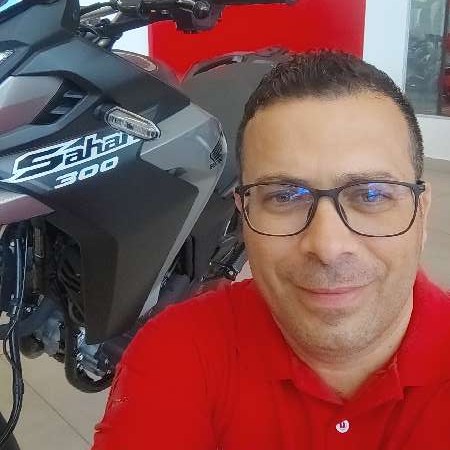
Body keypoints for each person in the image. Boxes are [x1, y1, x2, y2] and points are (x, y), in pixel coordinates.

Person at [91, 51, 450, 450]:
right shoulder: (176, 351)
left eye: (370, 194)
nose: (328, 247)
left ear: (422, 213)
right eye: (285, 196)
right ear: (243, 215)